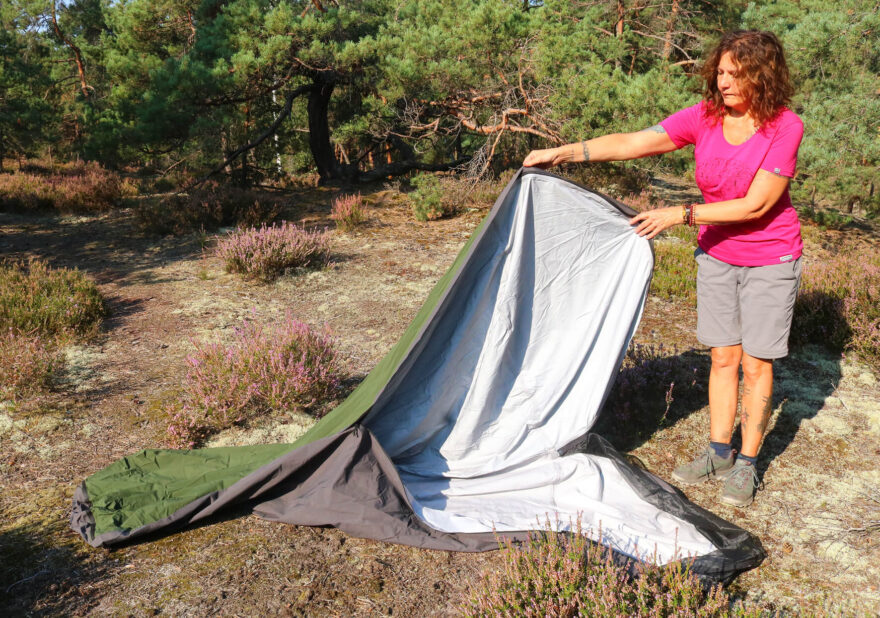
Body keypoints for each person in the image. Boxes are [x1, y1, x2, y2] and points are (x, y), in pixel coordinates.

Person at [522, 30, 804, 507]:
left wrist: (681, 214)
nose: (724, 82)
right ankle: (718, 451)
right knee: (722, 357)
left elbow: (757, 205)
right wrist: (564, 152)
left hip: (769, 257)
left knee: (757, 365)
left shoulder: (784, 126)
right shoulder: (705, 117)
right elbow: (636, 142)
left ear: (763, 75)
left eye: (736, 74)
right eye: (720, 71)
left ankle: (748, 462)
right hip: (716, 254)